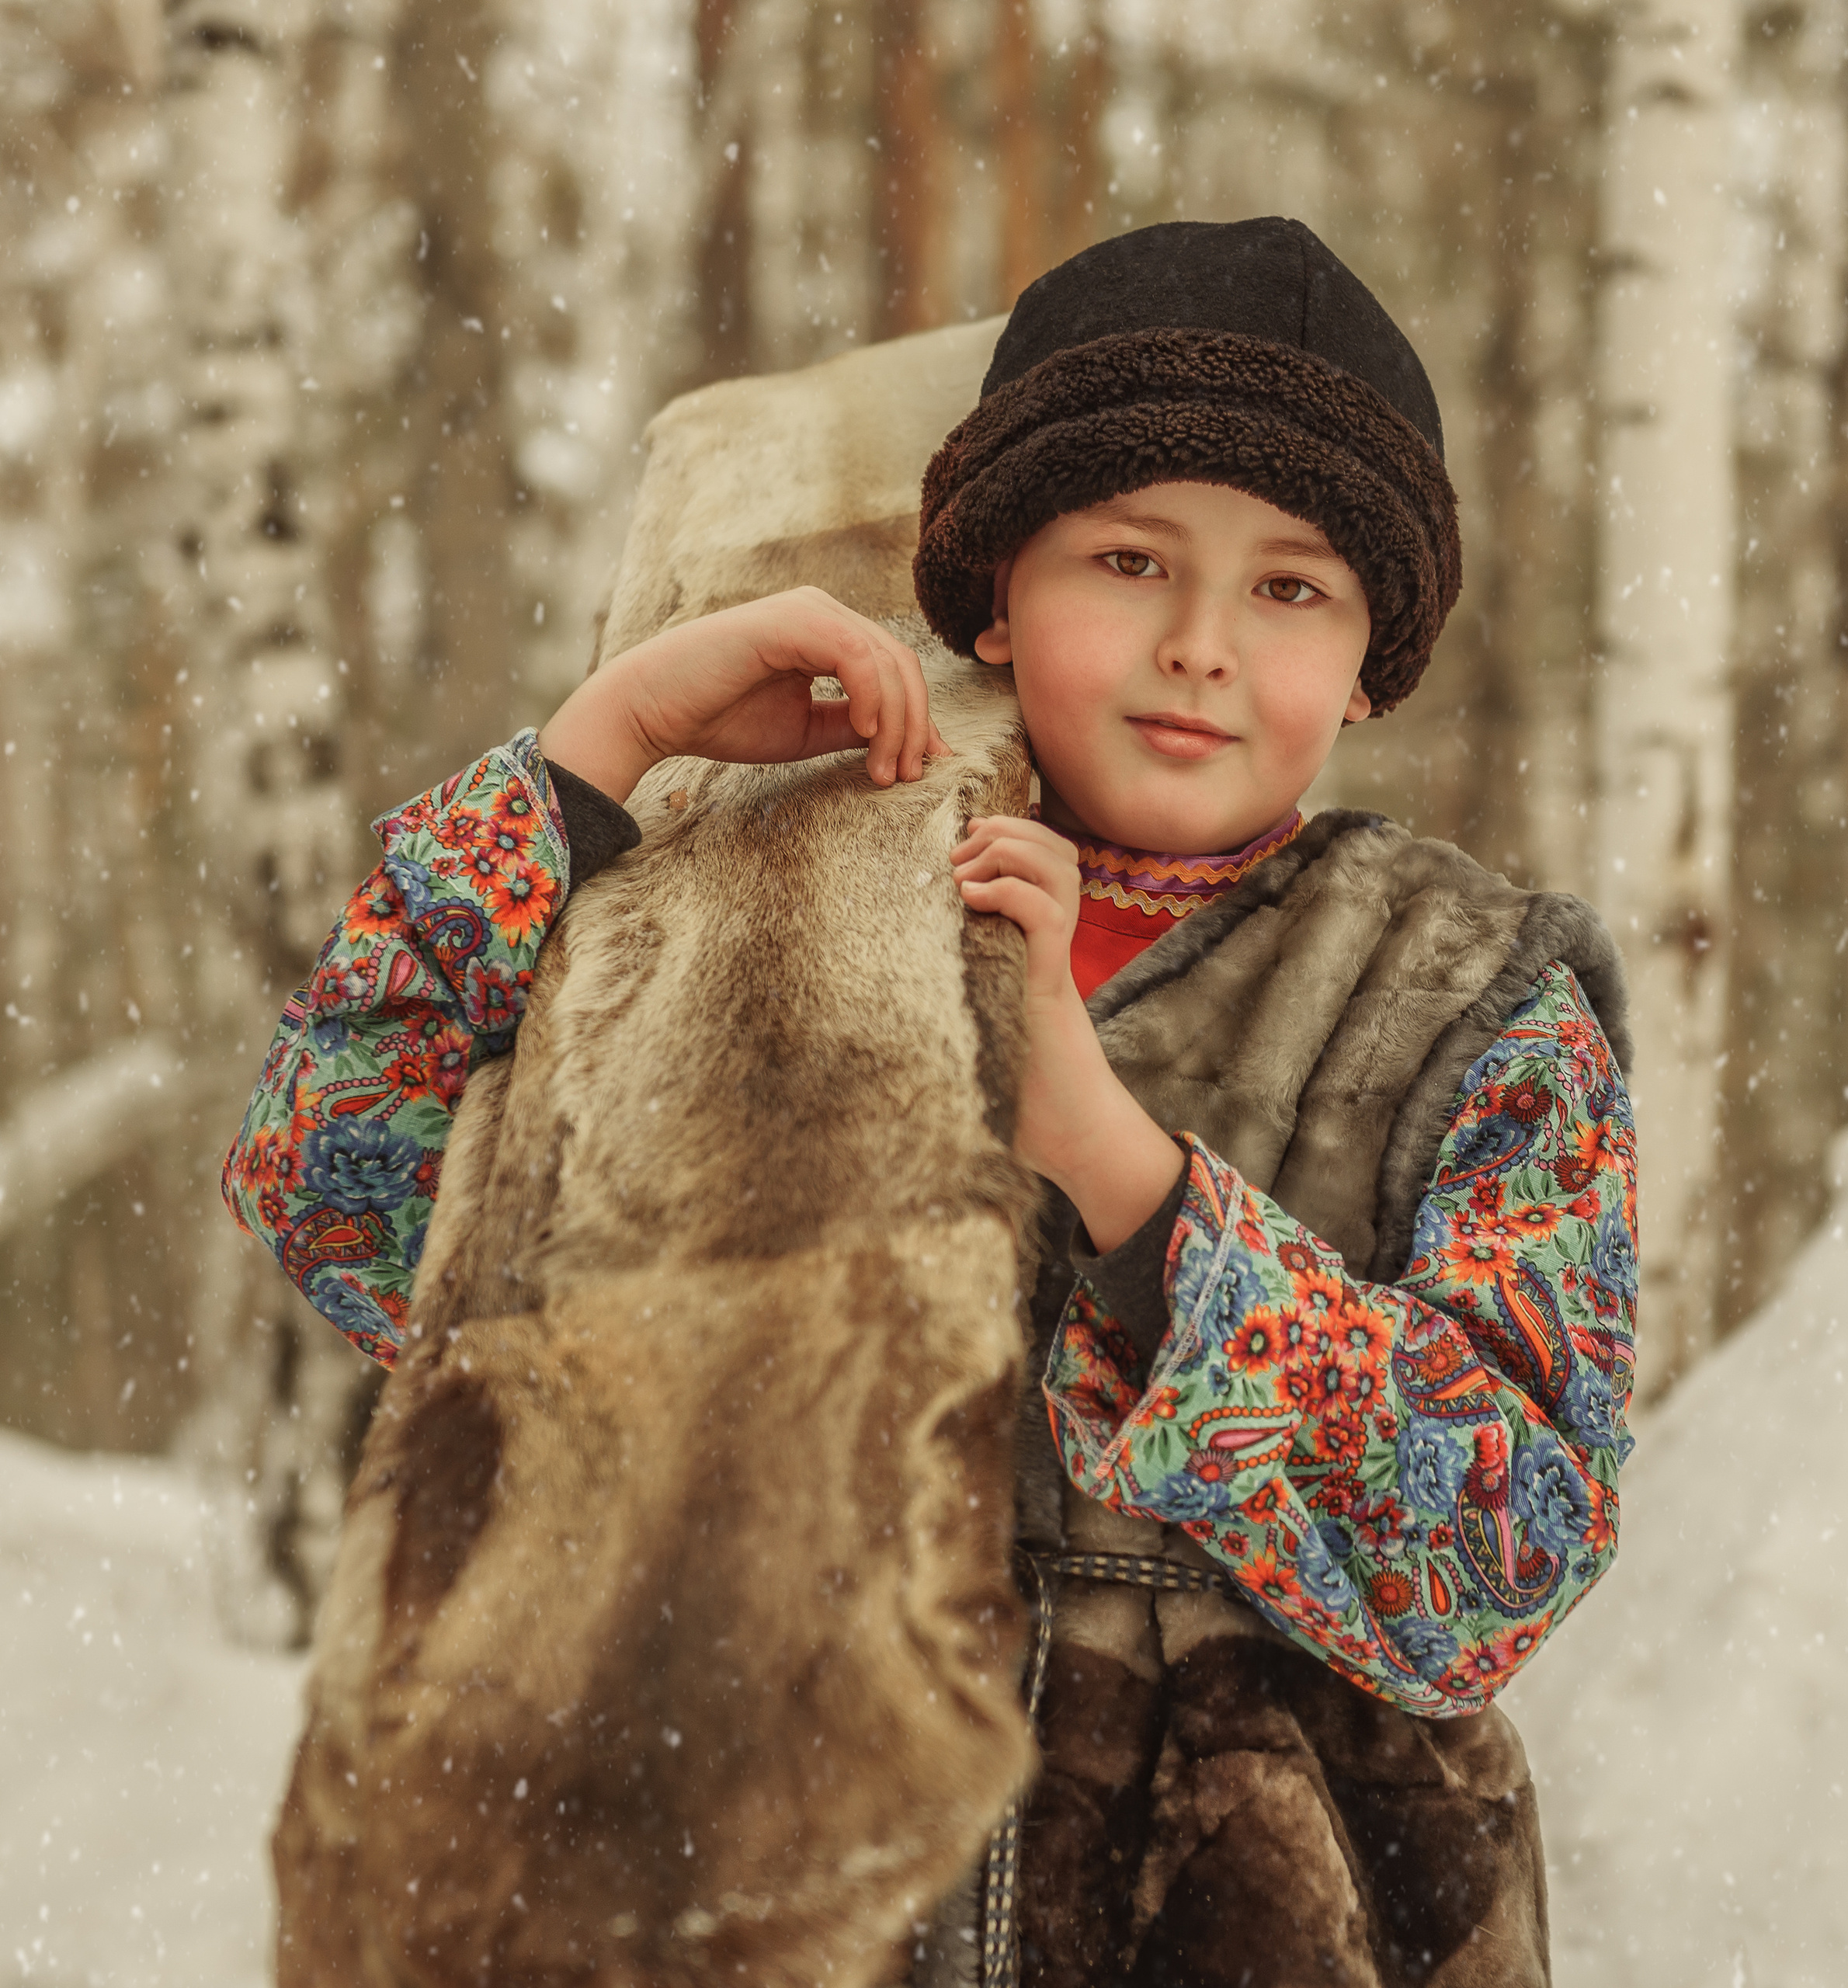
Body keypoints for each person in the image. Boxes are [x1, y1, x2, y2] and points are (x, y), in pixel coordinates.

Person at [224, 217, 1635, 1985]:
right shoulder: (759, 900)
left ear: (1369, 660)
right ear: (988, 591)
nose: (1200, 642)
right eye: (1127, 558)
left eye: (1289, 586)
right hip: (768, 1909)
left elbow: (1502, 1551)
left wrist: (1115, 1171)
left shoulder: (1461, 1001)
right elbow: (333, 1187)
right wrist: (600, 751)